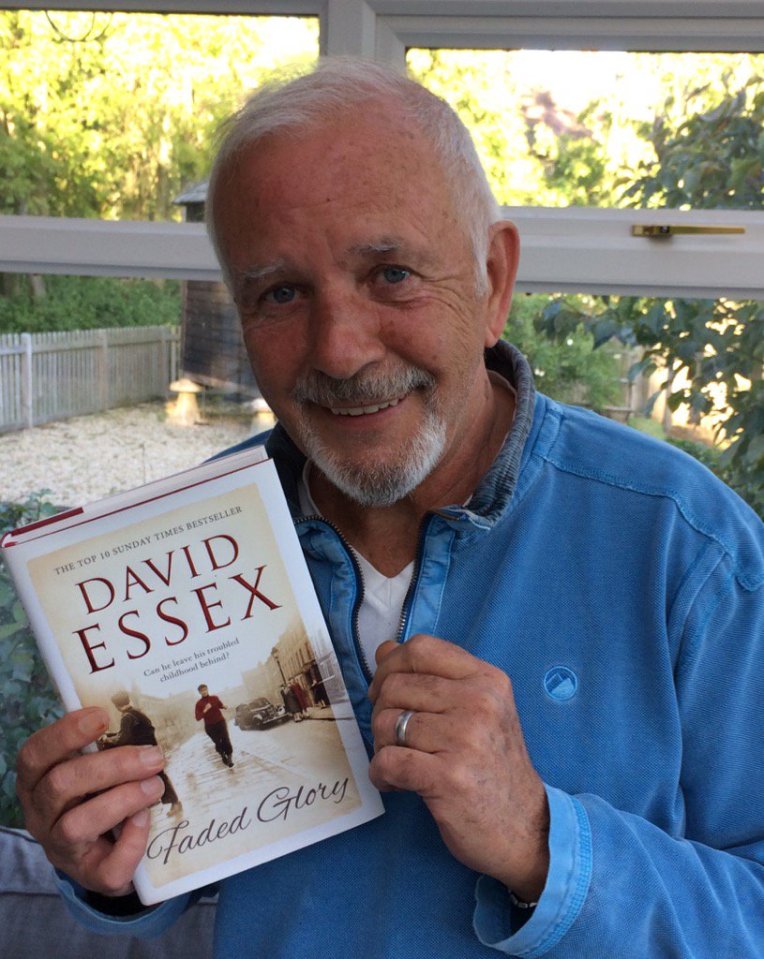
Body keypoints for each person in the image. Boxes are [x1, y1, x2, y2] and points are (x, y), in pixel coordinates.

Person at [15, 59, 763, 958]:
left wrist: (541, 839)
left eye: (392, 273)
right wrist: (105, 858)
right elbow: (156, 873)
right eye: (282, 293)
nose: (338, 349)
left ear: (493, 279)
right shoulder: (185, 546)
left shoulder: (688, 548)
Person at [99, 692, 182, 817]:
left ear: (116, 706)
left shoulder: (126, 717)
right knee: (160, 776)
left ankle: (174, 803)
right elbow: (126, 733)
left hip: (144, 754)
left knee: (158, 778)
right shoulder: (137, 713)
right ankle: (171, 802)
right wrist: (111, 735)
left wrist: (106, 739)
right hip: (151, 750)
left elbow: (123, 739)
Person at [195, 683, 234, 768]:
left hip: (220, 722)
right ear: (199, 692)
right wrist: (205, 709)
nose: (204, 692)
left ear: (207, 689)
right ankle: (222, 755)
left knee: (226, 739)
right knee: (217, 742)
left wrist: (224, 706)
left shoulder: (214, 698)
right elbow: (197, 718)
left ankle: (230, 759)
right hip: (210, 726)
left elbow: (220, 705)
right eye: (202, 691)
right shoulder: (199, 704)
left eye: (205, 690)